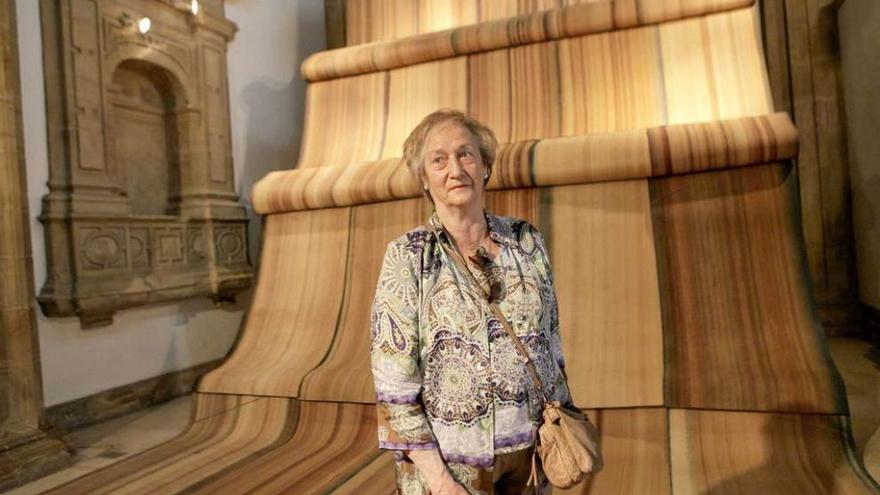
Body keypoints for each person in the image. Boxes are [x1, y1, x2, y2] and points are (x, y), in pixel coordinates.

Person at [370, 109, 574, 494]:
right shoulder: (409, 255)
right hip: (452, 464)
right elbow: (393, 387)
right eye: (439, 159)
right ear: (425, 180)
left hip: (530, 454)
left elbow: (552, 340)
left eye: (466, 154)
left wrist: (561, 423)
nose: (455, 169)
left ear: (484, 167)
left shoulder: (526, 241)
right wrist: (441, 481)